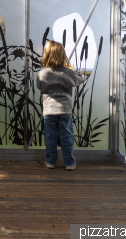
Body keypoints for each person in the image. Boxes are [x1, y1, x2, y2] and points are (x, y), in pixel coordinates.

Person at [36, 40, 84, 170]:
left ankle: (51, 161)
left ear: (46, 55)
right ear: (63, 55)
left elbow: (39, 86)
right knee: (66, 136)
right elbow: (79, 80)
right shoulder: (68, 72)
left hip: (49, 111)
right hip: (65, 110)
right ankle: (69, 162)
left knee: (50, 137)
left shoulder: (43, 73)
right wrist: (72, 70)